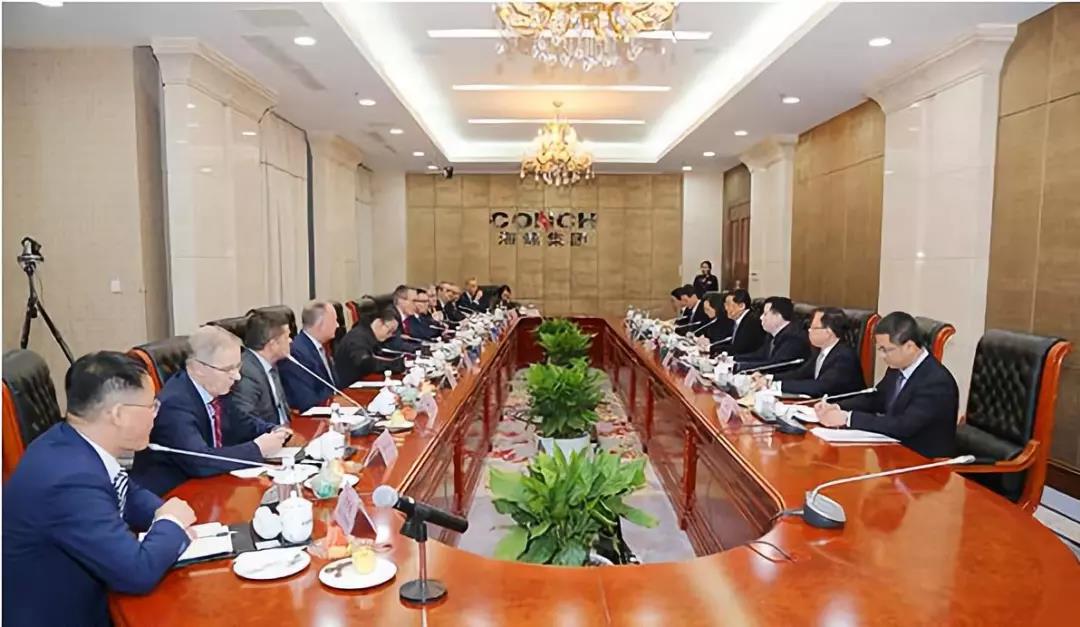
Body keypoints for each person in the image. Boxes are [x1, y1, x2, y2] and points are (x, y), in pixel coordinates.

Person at [3, 352, 196, 627]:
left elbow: (127, 492)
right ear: (118, 414)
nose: (156, 414)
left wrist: (162, 512)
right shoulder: (69, 480)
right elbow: (137, 573)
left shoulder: (70, 442)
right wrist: (171, 522)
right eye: (151, 405)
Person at [131, 326, 291, 496]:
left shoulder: (217, 389)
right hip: (172, 493)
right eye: (228, 369)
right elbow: (200, 461)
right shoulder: (174, 404)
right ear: (198, 368)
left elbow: (241, 422)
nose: (237, 376)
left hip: (211, 485)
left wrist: (272, 430)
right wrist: (257, 449)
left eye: (238, 366)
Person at [816, 311, 959, 458]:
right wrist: (838, 406)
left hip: (922, 461)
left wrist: (848, 418)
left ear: (909, 346)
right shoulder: (896, 368)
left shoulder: (936, 382)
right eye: (879, 349)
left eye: (886, 350)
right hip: (893, 451)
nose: (882, 356)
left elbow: (904, 425)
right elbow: (877, 398)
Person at [753, 307, 865, 397]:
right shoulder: (820, 351)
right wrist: (769, 378)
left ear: (828, 332)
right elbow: (799, 374)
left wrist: (776, 385)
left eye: (814, 328)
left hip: (841, 410)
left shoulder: (844, 357)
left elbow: (820, 387)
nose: (809, 331)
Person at [226, 310, 293, 427]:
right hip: (268, 434)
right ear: (273, 344)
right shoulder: (246, 372)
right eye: (287, 337)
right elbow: (246, 420)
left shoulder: (271, 364)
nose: (291, 341)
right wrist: (277, 432)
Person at [279, 300, 338, 412]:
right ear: (321, 324)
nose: (337, 325)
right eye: (334, 321)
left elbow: (334, 386)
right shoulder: (297, 353)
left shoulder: (321, 347)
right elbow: (306, 400)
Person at [735, 296, 810, 374]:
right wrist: (733, 359)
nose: (761, 318)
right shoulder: (772, 335)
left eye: (765, 314)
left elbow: (775, 365)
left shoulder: (794, 338)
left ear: (778, 316)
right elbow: (760, 355)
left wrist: (740, 366)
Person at [335, 307, 406, 386]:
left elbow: (380, 355)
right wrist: (394, 365)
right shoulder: (357, 337)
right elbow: (365, 363)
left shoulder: (371, 335)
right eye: (389, 331)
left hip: (364, 380)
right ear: (379, 323)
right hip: (350, 387)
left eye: (393, 333)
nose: (390, 335)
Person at [714, 289, 766, 355]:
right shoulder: (736, 320)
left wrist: (713, 349)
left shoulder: (752, 322)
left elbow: (740, 349)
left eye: (728, 305)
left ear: (741, 306)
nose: (726, 308)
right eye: (725, 305)